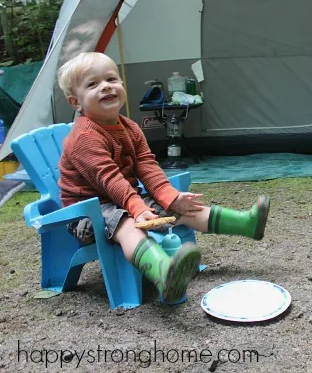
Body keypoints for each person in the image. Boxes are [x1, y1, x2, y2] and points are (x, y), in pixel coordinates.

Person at [57, 52, 270, 302]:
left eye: (111, 79)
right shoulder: (84, 137)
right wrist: (137, 208)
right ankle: (163, 274)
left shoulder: (129, 127)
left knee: (183, 209)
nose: (105, 86)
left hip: (123, 200)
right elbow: (109, 179)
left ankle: (245, 224)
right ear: (76, 102)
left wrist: (171, 198)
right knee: (124, 223)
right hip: (86, 214)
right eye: (93, 84)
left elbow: (147, 166)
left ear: (122, 85)